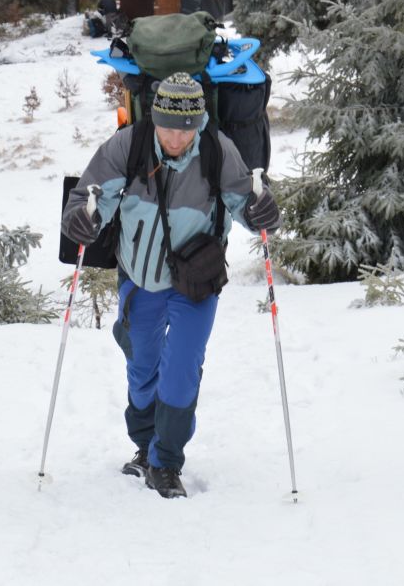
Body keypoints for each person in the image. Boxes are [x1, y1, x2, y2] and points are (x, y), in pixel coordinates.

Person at [61, 73, 280, 499]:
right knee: (143, 369)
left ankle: (165, 461)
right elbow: (90, 196)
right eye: (168, 127)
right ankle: (145, 446)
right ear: (155, 118)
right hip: (140, 278)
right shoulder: (128, 146)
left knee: (180, 370)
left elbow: (245, 202)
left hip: (196, 280)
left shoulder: (218, 149)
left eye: (186, 128)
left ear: (198, 122)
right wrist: (81, 220)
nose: (176, 138)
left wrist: (262, 212)